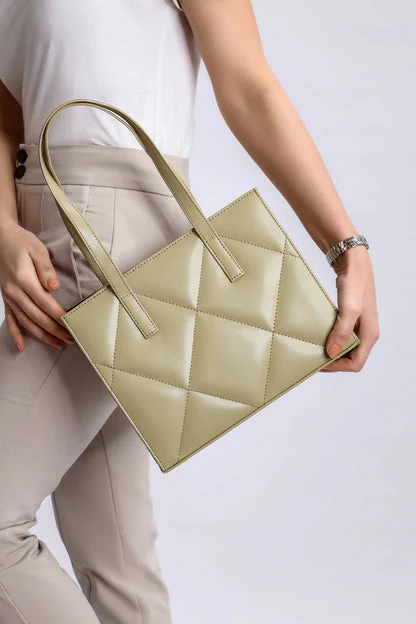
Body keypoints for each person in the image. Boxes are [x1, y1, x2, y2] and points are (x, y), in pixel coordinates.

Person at [0, 0, 379, 622]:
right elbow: (9, 107)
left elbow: (247, 85)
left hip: (112, 236)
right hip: (48, 228)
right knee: (115, 557)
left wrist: (346, 247)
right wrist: (5, 228)